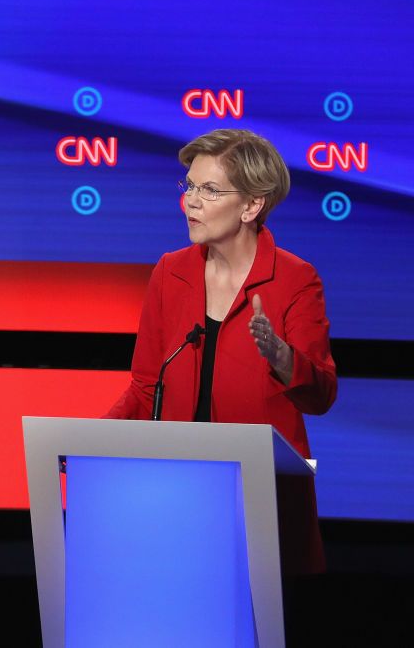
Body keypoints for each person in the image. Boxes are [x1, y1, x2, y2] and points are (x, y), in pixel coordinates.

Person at [107, 128, 337, 575]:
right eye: (189, 186)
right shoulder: (170, 272)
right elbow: (145, 386)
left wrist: (280, 356)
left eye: (209, 190)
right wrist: (89, 443)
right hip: (178, 495)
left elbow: (322, 394)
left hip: (259, 501)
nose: (190, 201)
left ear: (252, 205)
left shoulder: (294, 279)